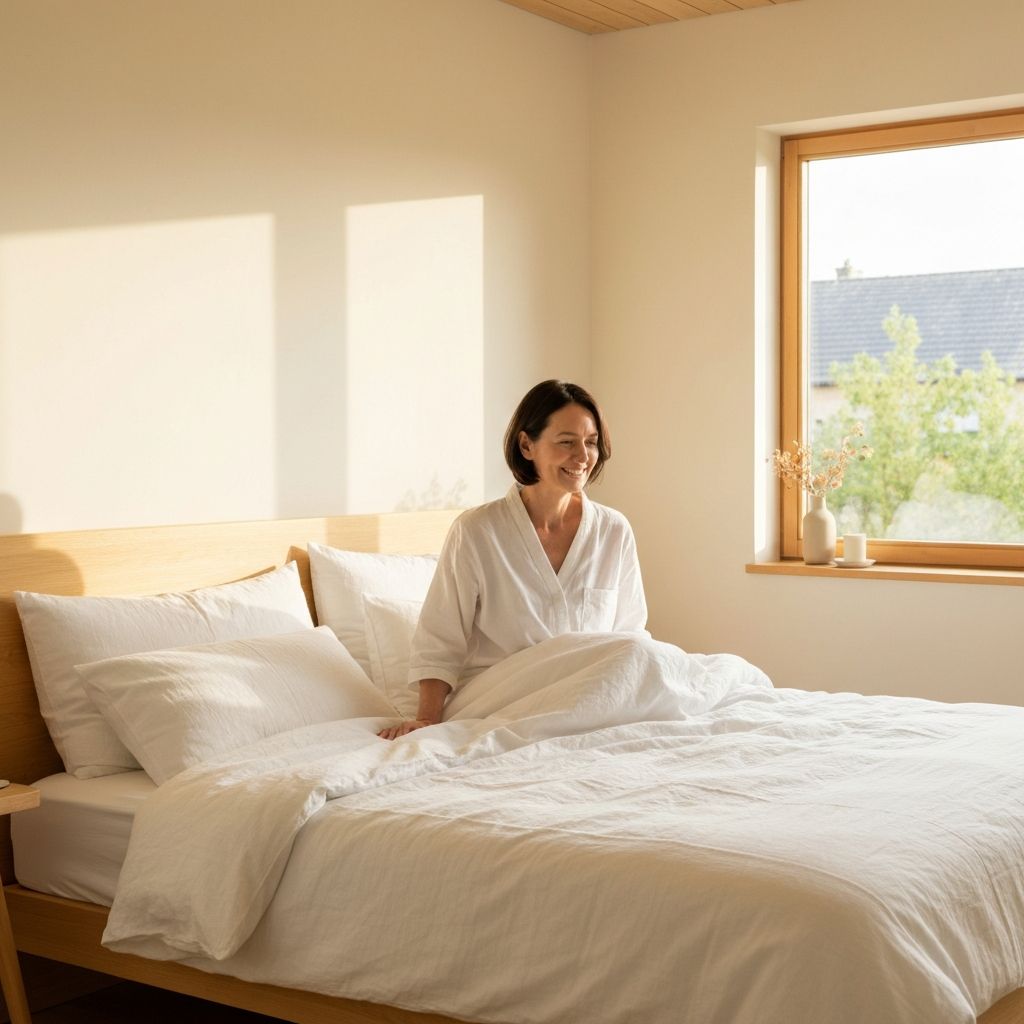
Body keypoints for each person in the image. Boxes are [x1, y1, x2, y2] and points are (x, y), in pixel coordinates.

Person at [378, 380, 647, 740]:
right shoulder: (477, 531)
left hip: (593, 701)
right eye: (567, 442)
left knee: (656, 658)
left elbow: (629, 635)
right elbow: (440, 639)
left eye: (591, 442)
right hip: (504, 703)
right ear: (526, 445)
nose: (582, 456)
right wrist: (427, 720)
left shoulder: (614, 531)